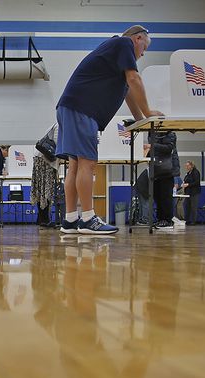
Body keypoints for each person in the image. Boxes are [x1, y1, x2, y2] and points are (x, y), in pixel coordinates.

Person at [56, 25, 163, 235]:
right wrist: (149, 112)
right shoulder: (123, 43)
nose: (143, 54)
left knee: (75, 165)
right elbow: (134, 80)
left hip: (70, 107)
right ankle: (87, 218)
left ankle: (70, 220)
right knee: (87, 162)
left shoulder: (115, 58)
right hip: (81, 109)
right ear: (138, 38)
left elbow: (128, 92)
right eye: (144, 48)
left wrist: (140, 120)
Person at [145, 131, 180, 231]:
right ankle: (161, 219)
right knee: (157, 195)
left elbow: (169, 148)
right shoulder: (152, 132)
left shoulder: (169, 132)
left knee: (165, 196)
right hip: (156, 169)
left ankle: (167, 220)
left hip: (167, 169)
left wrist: (152, 145)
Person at [182, 161, 201, 225]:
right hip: (188, 193)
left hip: (194, 193)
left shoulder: (195, 172)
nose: (186, 167)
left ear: (191, 166)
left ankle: (193, 221)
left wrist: (188, 184)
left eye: (187, 166)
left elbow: (196, 182)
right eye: (186, 166)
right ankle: (186, 220)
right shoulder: (188, 173)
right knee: (186, 206)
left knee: (193, 207)